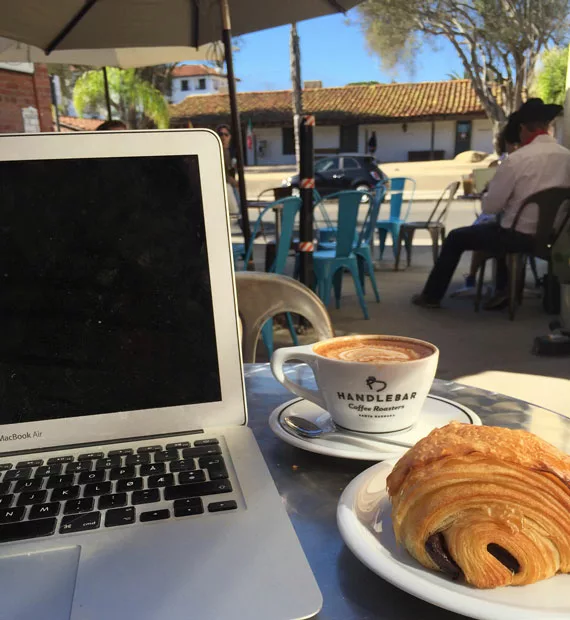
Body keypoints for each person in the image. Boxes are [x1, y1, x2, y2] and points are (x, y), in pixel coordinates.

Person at [412, 98, 569, 309]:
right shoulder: (566, 156)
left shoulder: (516, 160)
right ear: (547, 127)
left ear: (523, 129)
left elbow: (491, 208)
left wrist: (489, 191)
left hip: (516, 237)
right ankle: (503, 290)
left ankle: (431, 296)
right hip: (553, 237)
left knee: (458, 237)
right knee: (501, 230)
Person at [452, 114, 521, 298]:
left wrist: (487, 192)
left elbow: (491, 205)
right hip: (533, 229)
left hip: (507, 224)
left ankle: (475, 278)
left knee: (479, 232)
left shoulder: (508, 164)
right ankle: (495, 282)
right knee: (487, 229)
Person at [216, 124, 240, 219]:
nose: (223, 137)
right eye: (221, 134)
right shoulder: (216, 151)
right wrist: (232, 181)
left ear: (230, 137)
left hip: (232, 185)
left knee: (239, 211)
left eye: (226, 134)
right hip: (223, 186)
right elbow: (219, 172)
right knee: (235, 212)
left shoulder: (231, 151)